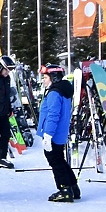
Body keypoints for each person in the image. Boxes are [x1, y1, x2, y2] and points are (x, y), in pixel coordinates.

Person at [36, 64, 80, 202]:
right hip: (60, 133)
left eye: (45, 77)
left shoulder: (55, 93)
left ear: (53, 78)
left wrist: (48, 135)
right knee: (60, 159)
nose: (43, 80)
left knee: (55, 161)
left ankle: (65, 190)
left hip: (54, 133)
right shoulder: (62, 90)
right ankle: (73, 187)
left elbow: (53, 115)